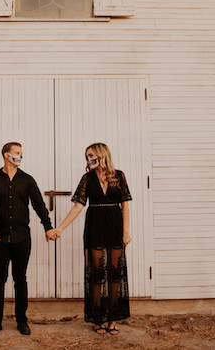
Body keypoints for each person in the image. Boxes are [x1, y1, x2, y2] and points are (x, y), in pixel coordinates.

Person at [51, 142, 132, 335]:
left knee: (115, 273)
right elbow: (78, 206)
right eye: (87, 156)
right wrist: (60, 228)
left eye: (92, 155)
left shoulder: (119, 176)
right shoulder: (87, 178)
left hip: (114, 225)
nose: (89, 159)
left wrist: (126, 231)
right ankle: (98, 318)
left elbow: (125, 205)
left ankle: (113, 319)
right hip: (95, 226)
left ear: (102, 155)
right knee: (96, 274)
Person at [0, 142, 58, 337]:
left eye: (21, 153)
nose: (20, 156)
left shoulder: (27, 180)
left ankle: (22, 321)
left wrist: (48, 227)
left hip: (22, 238)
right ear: (6, 155)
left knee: (20, 279)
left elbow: (39, 205)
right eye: (17, 153)